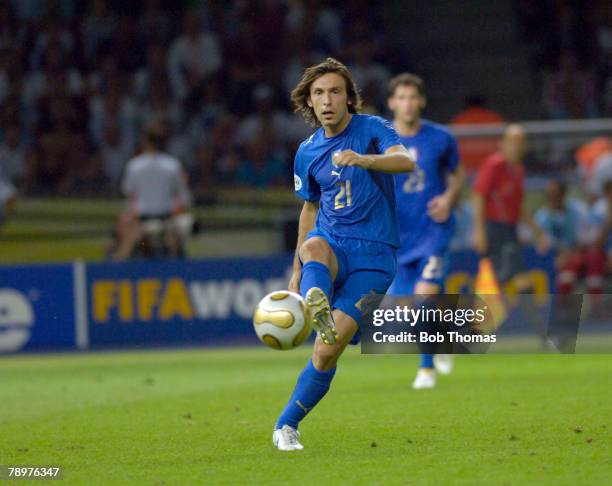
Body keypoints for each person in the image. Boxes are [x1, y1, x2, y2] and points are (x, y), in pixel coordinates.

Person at [273, 58, 414, 451]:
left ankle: (289, 420)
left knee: (325, 352)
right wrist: (297, 270)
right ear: (310, 102)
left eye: (335, 91)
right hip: (333, 245)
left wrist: (365, 160)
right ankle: (320, 305)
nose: (327, 99)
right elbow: (310, 208)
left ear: (349, 98)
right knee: (313, 245)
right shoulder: (306, 152)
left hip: (374, 258)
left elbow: (406, 160)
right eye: (319, 93)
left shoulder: (372, 129)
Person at [385, 73, 466, 390]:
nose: (407, 104)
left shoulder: (441, 137)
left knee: (425, 295)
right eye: (400, 98)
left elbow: (458, 173)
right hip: (397, 235)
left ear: (421, 101)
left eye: (412, 97)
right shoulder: (380, 138)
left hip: (434, 229)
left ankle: (426, 369)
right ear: (392, 103)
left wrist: (448, 197)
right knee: (407, 309)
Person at [472, 124, 549, 290]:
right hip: (494, 229)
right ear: (503, 143)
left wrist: (538, 232)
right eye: (513, 141)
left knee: (499, 282)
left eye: (521, 141)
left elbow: (518, 206)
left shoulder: (519, 170)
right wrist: (479, 231)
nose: (517, 145)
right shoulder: (494, 165)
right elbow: (479, 196)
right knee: (518, 281)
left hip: (510, 230)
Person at [113, 120, 191, 261]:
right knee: (172, 245)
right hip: (162, 222)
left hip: (151, 223)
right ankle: (176, 268)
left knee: (125, 246)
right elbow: (184, 198)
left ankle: (116, 275)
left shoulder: (134, 165)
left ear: (145, 141)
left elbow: (130, 198)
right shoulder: (173, 165)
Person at [535, 180, 604, 294]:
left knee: (594, 257)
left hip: (581, 253)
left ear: (563, 194)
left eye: (555, 194)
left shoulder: (578, 210)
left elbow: (589, 234)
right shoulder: (542, 217)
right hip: (558, 259)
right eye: (549, 195)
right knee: (567, 271)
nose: (552, 198)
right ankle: (565, 307)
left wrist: (578, 248)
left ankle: (597, 303)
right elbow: (541, 245)